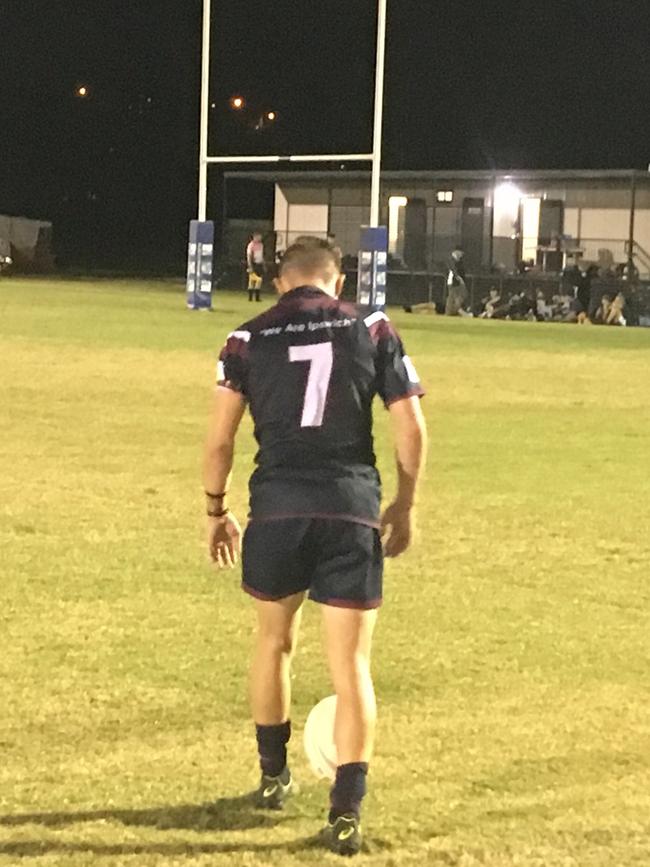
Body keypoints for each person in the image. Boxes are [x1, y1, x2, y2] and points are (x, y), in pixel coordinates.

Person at [203, 236, 427, 856]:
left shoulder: (246, 338)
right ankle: (346, 814)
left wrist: (216, 510)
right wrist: (404, 506)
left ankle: (273, 777)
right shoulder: (374, 326)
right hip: (350, 509)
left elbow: (219, 441)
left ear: (279, 282)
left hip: (277, 510)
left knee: (273, 642)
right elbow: (410, 426)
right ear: (339, 279)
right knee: (350, 665)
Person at [445, 249, 468, 316]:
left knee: (458, 296)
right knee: (452, 297)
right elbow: (453, 270)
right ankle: (451, 311)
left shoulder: (459, 261)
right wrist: (459, 278)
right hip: (454, 282)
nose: (461, 255)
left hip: (458, 282)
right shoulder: (451, 260)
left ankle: (452, 311)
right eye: (460, 253)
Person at [246, 232, 265, 302]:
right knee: (252, 280)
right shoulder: (251, 245)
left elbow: (261, 256)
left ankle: (257, 297)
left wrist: (263, 264)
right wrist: (250, 265)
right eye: (258, 237)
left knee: (259, 280)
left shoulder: (261, 245)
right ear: (254, 237)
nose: (259, 238)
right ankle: (250, 297)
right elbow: (249, 256)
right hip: (254, 264)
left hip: (259, 263)